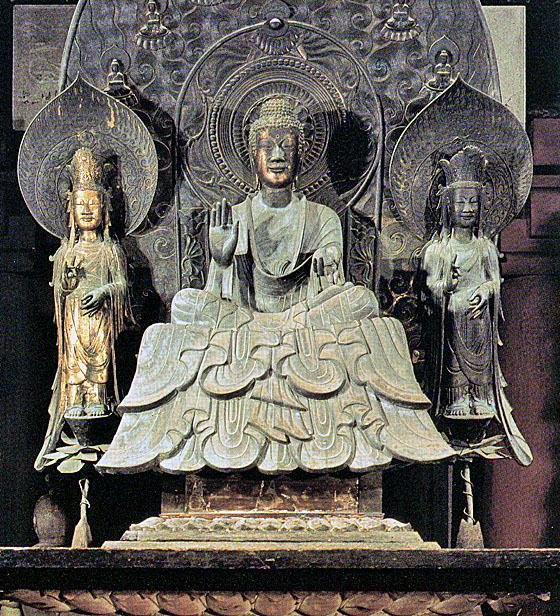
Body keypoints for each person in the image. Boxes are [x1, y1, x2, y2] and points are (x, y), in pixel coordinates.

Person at [99, 98, 453, 474]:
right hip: (246, 318)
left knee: (362, 301)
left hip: (306, 317)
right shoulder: (235, 216)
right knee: (185, 303)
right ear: (253, 157)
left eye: (287, 145)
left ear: (301, 156)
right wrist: (221, 260)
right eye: (267, 146)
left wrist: (326, 265)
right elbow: (217, 297)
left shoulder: (322, 217)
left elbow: (334, 288)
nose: (278, 155)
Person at [422, 145, 532, 464]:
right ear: (448, 205)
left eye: (473, 202)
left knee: (479, 342)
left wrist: (485, 291)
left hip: (479, 324)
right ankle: (457, 397)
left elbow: (495, 282)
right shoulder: (438, 250)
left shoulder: (484, 248)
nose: (467, 209)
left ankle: (479, 396)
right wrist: (447, 286)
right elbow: (431, 287)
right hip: (453, 322)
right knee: (456, 324)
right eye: (461, 202)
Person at [35, 147, 128, 470]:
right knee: (75, 364)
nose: (86, 210)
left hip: (100, 320)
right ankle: (76, 401)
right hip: (74, 321)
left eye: (93, 204)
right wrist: (67, 283)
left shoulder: (110, 250)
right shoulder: (66, 252)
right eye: (80, 204)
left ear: (105, 208)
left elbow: (122, 286)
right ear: (70, 210)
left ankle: (98, 399)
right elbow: (58, 291)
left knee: (99, 360)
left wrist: (104, 291)